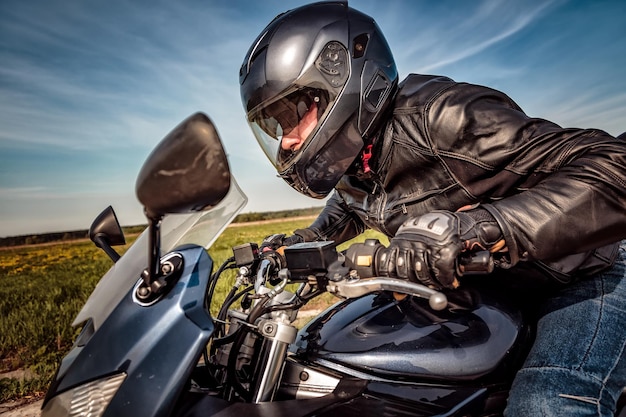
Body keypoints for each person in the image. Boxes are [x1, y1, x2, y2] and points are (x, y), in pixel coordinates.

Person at [239, 2, 626, 416]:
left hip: (583, 274)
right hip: (492, 289)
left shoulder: (444, 116)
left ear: (340, 78)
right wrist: (302, 242)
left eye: (292, 113)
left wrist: (474, 227)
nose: (287, 141)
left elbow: (613, 166)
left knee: (546, 400)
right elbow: (353, 204)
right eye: (275, 125)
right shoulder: (356, 162)